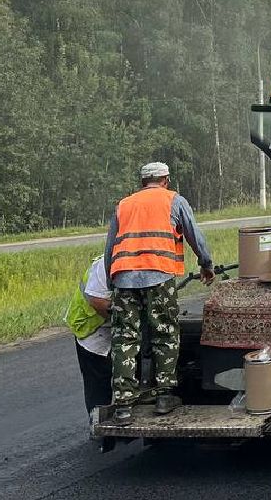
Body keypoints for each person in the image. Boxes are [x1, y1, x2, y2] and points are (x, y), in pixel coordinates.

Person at [104, 162, 214, 422]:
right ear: (165, 179)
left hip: (124, 278)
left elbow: (110, 247)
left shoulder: (124, 205)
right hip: (159, 274)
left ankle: (123, 405)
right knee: (164, 332)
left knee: (125, 338)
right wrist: (206, 264)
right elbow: (194, 236)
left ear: (143, 181)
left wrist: (112, 284)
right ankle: (164, 396)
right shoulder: (173, 200)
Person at [65, 254, 113, 419]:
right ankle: (100, 430)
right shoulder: (105, 265)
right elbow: (97, 300)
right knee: (98, 385)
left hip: (108, 328)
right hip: (91, 332)